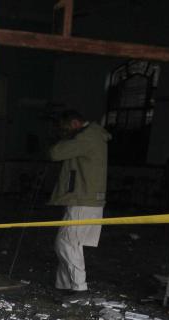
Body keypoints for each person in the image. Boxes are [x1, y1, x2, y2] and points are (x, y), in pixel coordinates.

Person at [47, 109, 110, 293]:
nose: (64, 131)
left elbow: (55, 153)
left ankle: (79, 287)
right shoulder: (93, 136)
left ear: (75, 123)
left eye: (65, 128)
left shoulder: (86, 137)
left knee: (66, 243)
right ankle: (64, 285)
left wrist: (61, 138)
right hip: (86, 198)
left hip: (83, 200)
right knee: (73, 243)